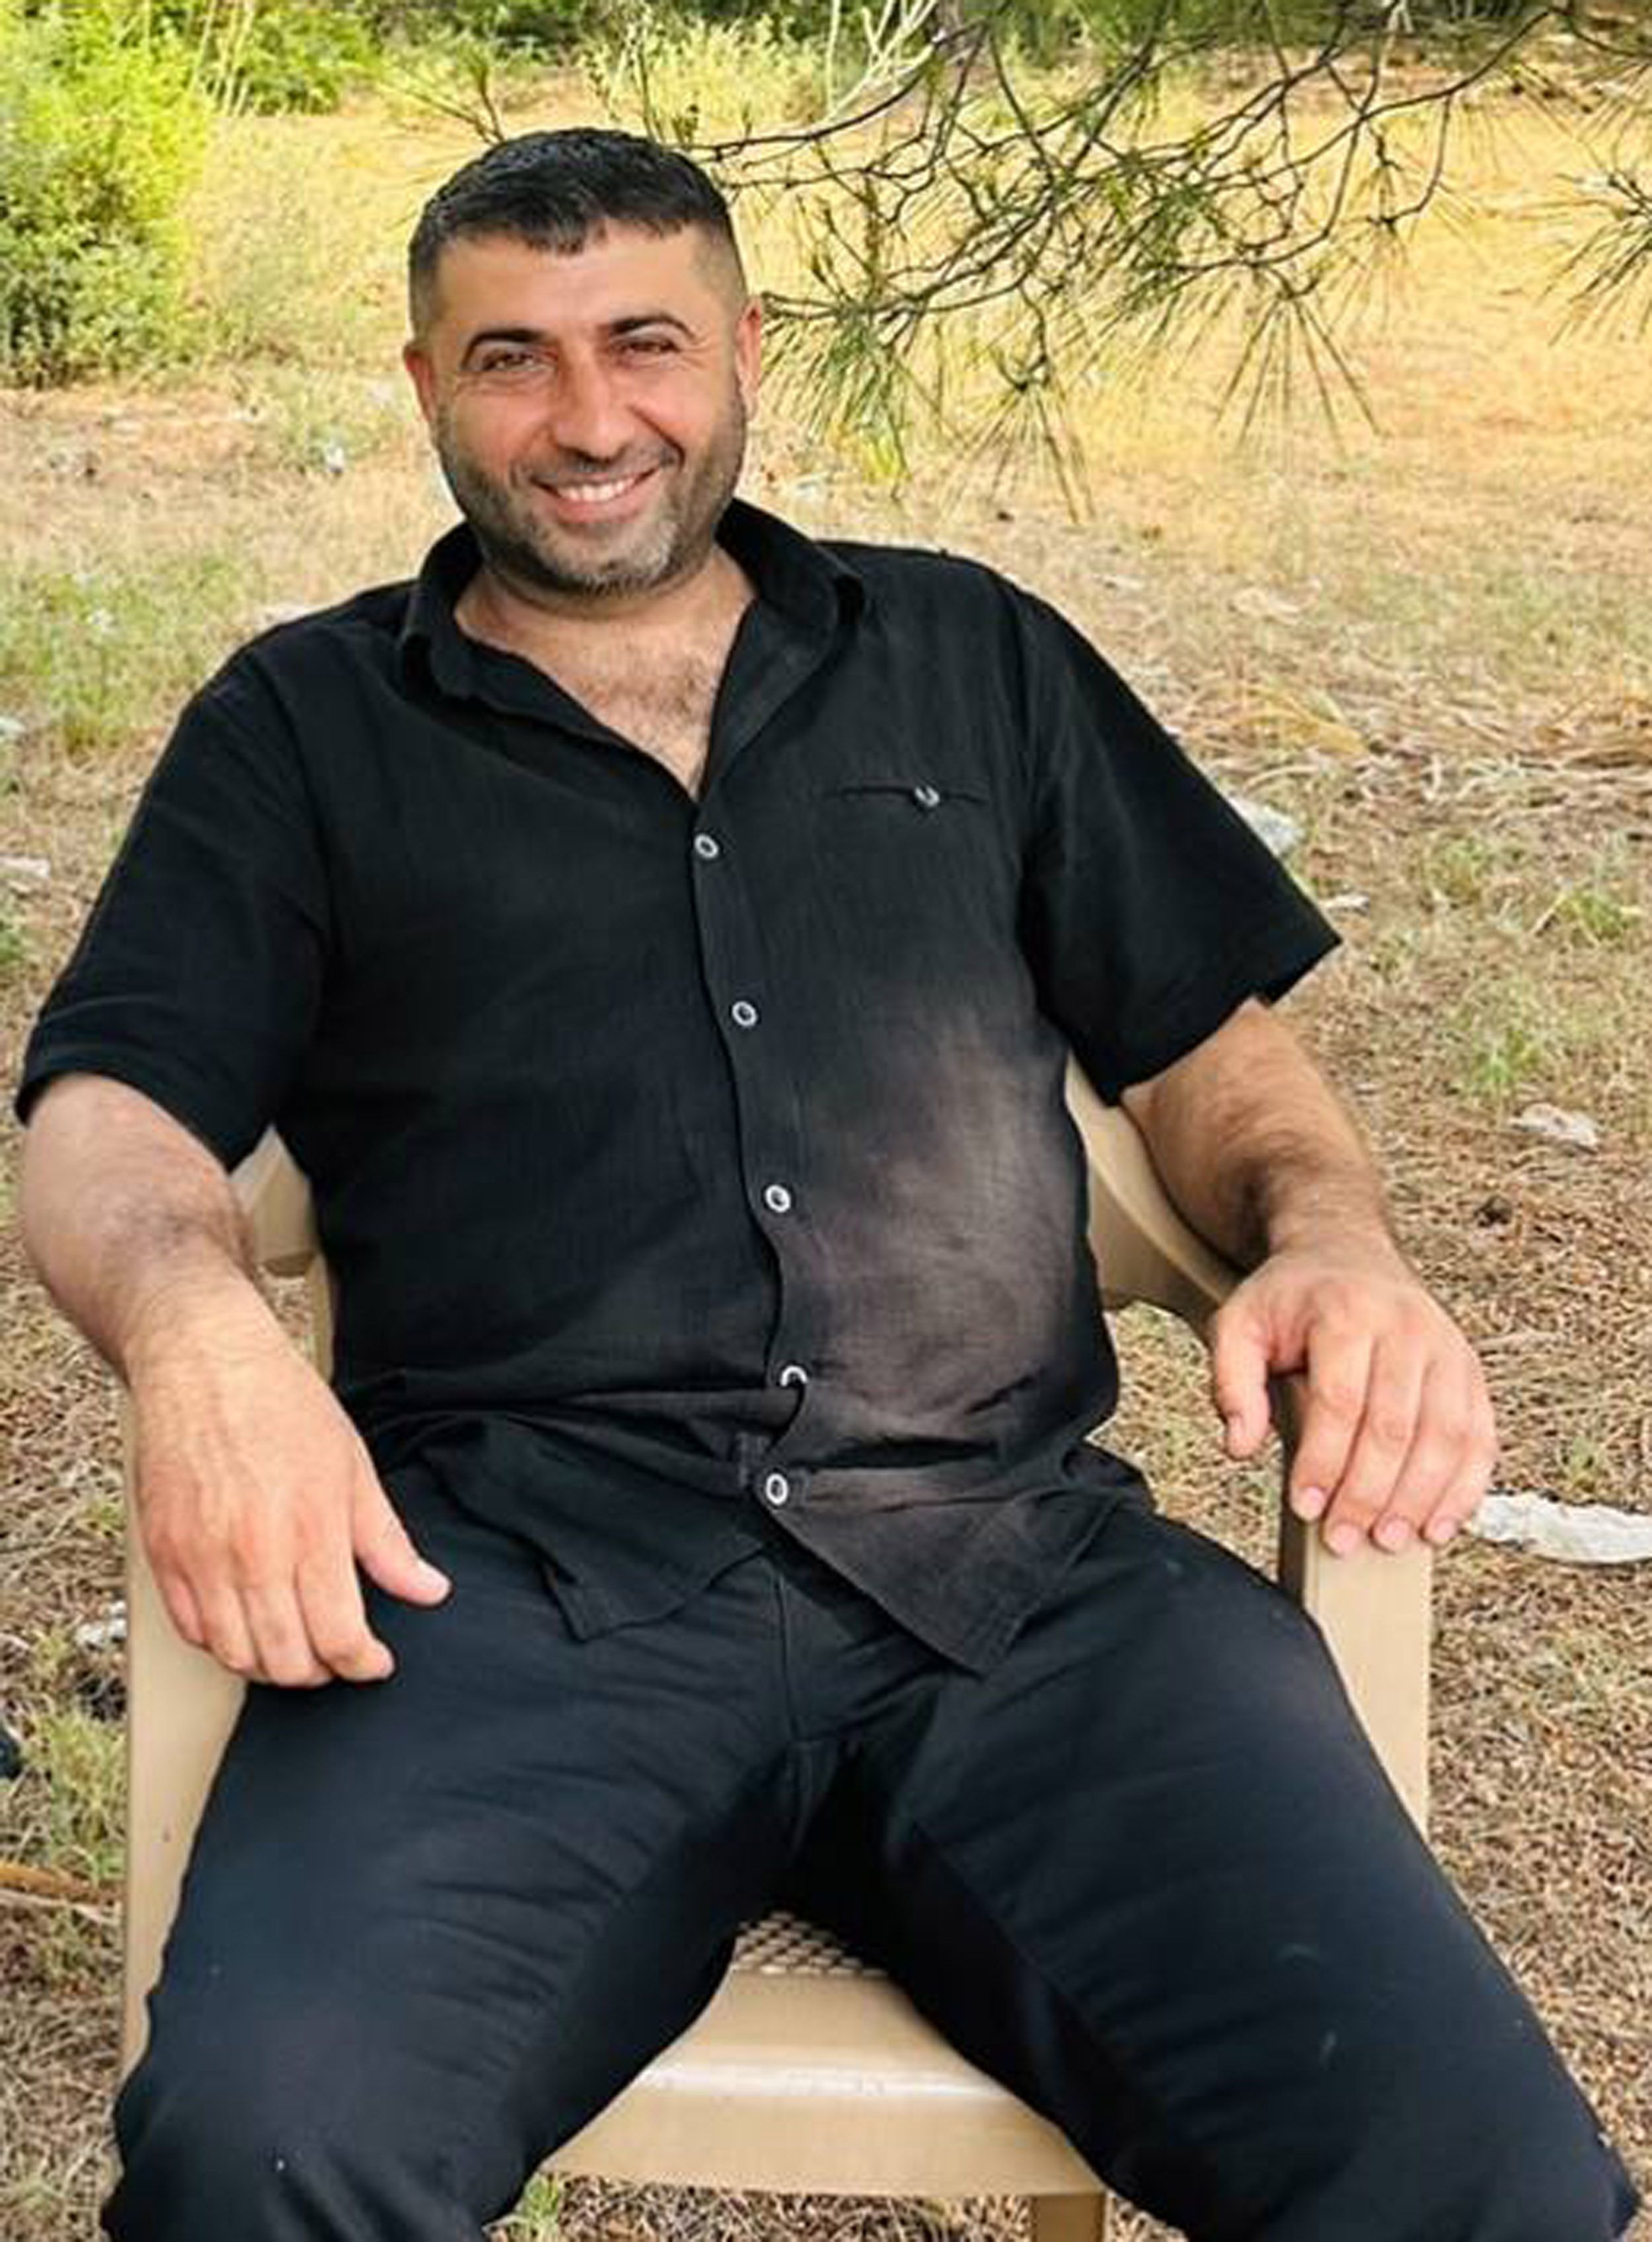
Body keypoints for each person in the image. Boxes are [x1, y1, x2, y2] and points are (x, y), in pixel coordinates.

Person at [13, 128, 1638, 2242]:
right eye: (510, 355)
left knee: (1480, 2179)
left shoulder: (972, 655)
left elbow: (1209, 1057)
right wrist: (196, 1334)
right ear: (421, 384)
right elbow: (109, 1110)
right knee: (266, 2156)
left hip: (1023, 1592)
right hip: (513, 1605)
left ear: (746, 352)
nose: (587, 418)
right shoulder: (305, 725)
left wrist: (1334, 1238)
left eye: (643, 342)